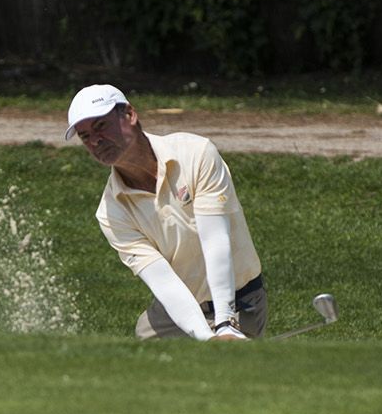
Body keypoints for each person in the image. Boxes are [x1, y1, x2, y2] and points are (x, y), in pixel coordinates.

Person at [67, 84, 267, 342]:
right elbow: (162, 281)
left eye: (101, 126)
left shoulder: (196, 153)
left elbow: (215, 240)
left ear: (129, 114)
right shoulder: (110, 211)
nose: (94, 141)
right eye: (84, 136)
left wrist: (225, 324)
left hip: (239, 299)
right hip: (182, 303)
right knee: (146, 335)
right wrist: (208, 339)